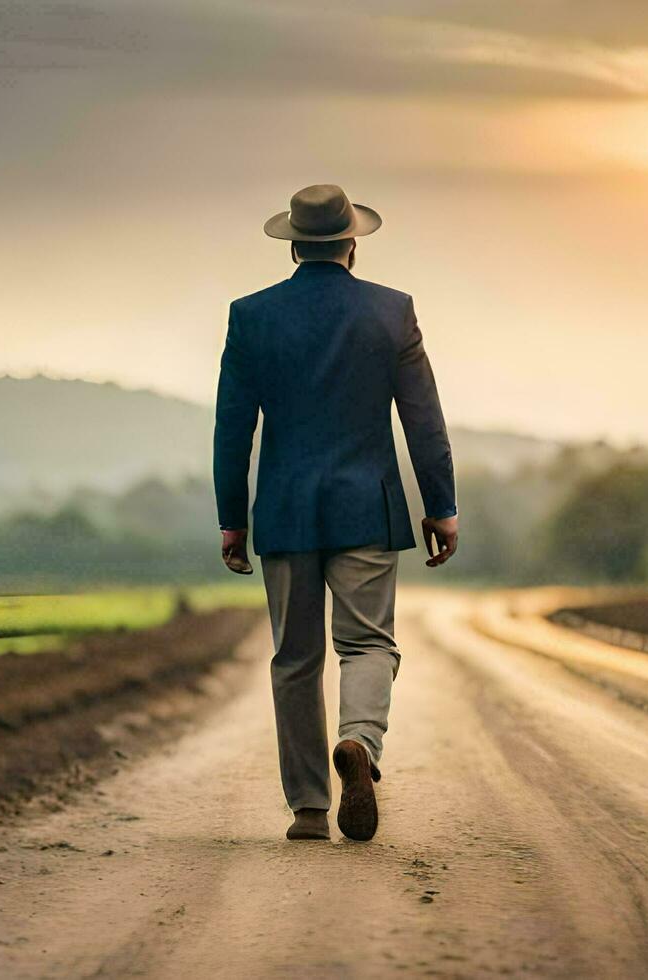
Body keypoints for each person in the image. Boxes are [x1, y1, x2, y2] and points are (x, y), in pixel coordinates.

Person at [213, 183, 458, 843]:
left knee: (295, 659)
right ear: (352, 243)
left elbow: (233, 429)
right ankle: (359, 743)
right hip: (368, 506)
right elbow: (423, 419)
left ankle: (310, 810)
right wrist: (441, 505)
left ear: (293, 245)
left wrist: (232, 519)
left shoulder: (251, 316)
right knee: (368, 643)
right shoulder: (391, 312)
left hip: (287, 509)